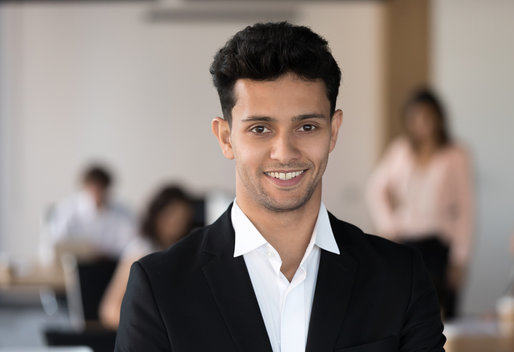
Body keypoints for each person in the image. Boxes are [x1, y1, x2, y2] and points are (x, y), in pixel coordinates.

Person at [115, 22, 445, 351]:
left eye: (307, 126)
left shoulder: (401, 278)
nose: (285, 153)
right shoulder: (160, 287)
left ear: (333, 131)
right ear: (226, 138)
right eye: (260, 129)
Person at [366, 88, 474, 320]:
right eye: (415, 117)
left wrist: (460, 257)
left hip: (439, 246)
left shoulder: (455, 154)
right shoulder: (401, 151)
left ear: (438, 117)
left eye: (428, 116)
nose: (422, 123)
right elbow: (376, 189)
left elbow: (465, 208)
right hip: (405, 243)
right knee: (404, 314)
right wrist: (388, 225)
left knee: (441, 316)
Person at [99, 184, 196, 329]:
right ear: (157, 215)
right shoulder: (141, 250)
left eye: (182, 218)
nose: (176, 224)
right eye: (171, 216)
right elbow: (110, 311)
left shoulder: (188, 252)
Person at [48, 164, 135, 260]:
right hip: (74, 264)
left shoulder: (122, 212)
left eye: (101, 188)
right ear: (85, 187)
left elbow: (132, 244)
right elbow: (56, 244)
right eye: (93, 188)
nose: (97, 193)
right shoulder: (66, 210)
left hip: (111, 264)